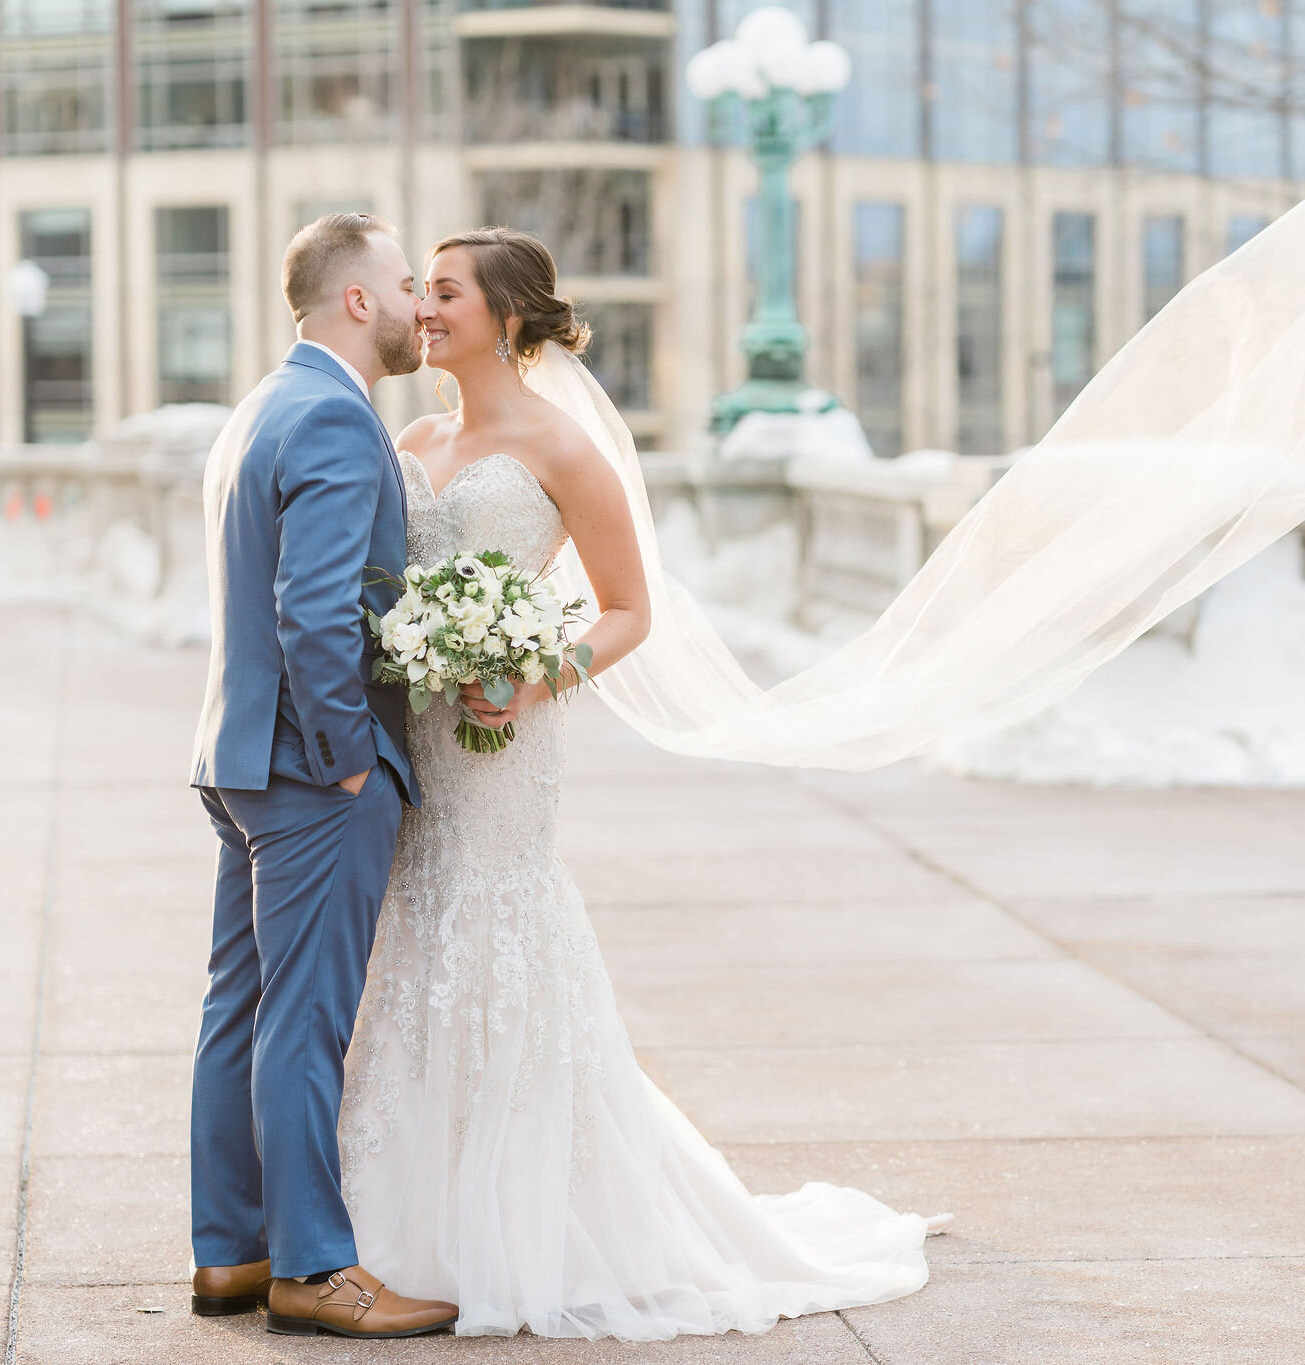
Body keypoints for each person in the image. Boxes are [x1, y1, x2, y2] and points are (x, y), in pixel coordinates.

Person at [335, 228, 944, 1339]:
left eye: (447, 293)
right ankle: (398, 1221)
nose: (424, 308)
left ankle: (524, 1223)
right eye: (421, 291)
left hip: (502, 746)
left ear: (508, 318)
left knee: (499, 932)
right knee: (416, 941)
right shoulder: (412, 436)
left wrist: (533, 672)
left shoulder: (565, 450)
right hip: (414, 741)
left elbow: (627, 610)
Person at [186, 213, 460, 1339]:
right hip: (311, 774)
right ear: (358, 300)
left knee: (238, 1010)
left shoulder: (266, 406)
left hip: (239, 758)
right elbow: (313, 612)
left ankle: (229, 1254)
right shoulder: (343, 423)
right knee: (305, 1021)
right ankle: (310, 1267)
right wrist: (350, 759)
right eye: (404, 284)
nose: (415, 306)